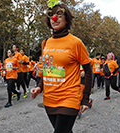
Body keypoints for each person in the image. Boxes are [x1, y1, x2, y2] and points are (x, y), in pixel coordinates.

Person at [30, 1, 92, 132]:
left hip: (69, 98)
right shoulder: (45, 43)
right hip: (49, 99)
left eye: (59, 14)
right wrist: (39, 87)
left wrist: (85, 99)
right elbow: (48, 70)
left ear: (66, 18)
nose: (54, 18)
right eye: (51, 15)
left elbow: (88, 71)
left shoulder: (76, 42)